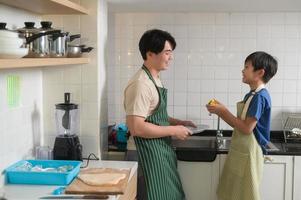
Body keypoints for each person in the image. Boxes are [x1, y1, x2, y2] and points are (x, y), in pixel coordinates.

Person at [124, 29, 196, 200]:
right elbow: (137, 127)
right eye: (167, 53)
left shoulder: (154, 79)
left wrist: (178, 122)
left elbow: (153, 114)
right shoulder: (141, 84)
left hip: (158, 151)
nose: (171, 57)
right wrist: (173, 130)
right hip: (144, 153)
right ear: (150, 54)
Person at [206, 51, 278, 200]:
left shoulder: (259, 97)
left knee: (246, 195)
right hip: (243, 152)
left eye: (246, 67)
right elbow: (241, 124)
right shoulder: (252, 95)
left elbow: (246, 128)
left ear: (259, 72)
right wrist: (222, 109)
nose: (242, 70)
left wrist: (223, 112)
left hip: (250, 153)